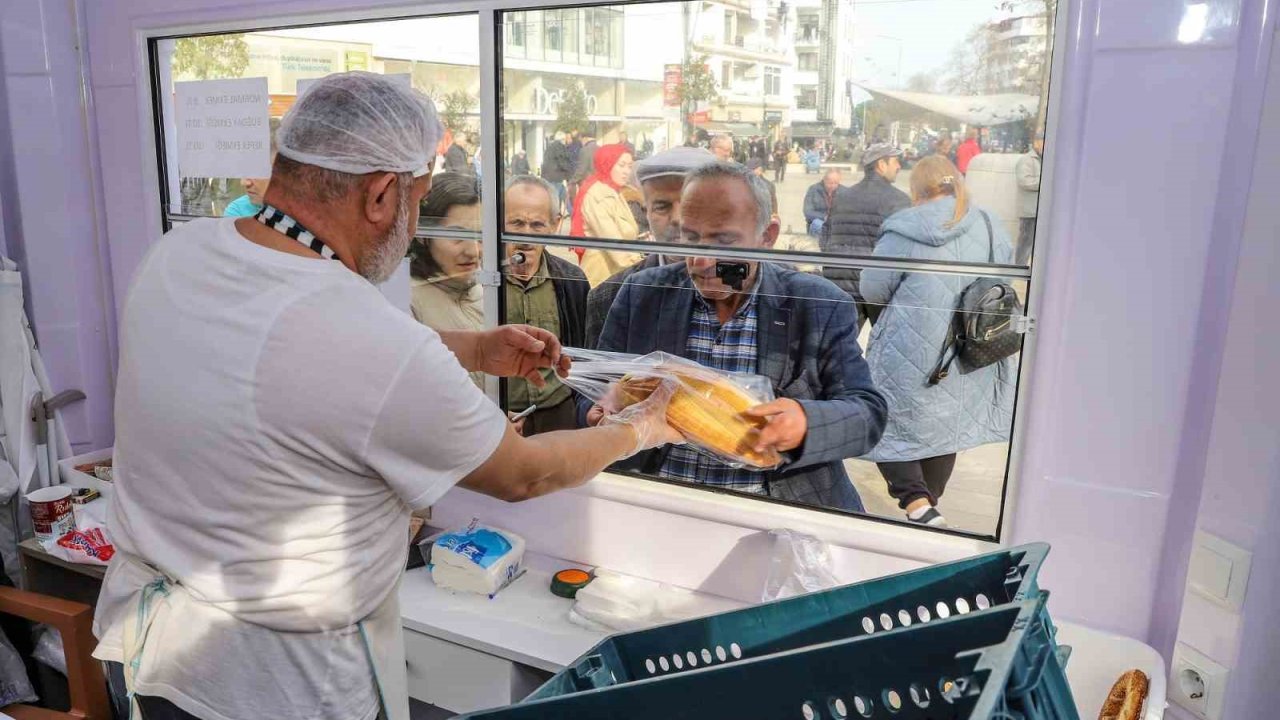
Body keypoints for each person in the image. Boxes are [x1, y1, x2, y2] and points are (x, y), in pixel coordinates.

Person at [91, 72, 679, 720]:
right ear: (379, 196)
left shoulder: (183, 252)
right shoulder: (361, 337)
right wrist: (642, 427)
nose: (413, 227)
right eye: (419, 202)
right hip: (273, 689)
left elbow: (292, 361)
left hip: (143, 654)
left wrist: (476, 348)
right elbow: (525, 474)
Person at [584, 162, 888, 512]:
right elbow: (598, 388)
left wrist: (806, 423)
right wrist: (599, 411)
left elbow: (868, 414)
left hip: (774, 507)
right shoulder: (642, 293)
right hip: (656, 501)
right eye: (691, 237)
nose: (699, 260)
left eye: (723, 240)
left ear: (767, 236)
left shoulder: (818, 304)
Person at [858, 156, 1017, 528]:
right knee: (945, 424)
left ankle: (916, 502)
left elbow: (873, 288)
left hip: (910, 343)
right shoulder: (990, 222)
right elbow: (1005, 271)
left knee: (886, 417)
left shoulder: (904, 227)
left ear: (917, 189)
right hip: (969, 345)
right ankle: (928, 505)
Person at [583, 146, 716, 347]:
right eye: (662, 207)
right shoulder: (609, 297)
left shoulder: (751, 289)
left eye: (691, 205)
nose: (678, 219)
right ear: (646, 212)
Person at [505, 175, 591, 435]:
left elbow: (583, 353)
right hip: (498, 416)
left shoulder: (571, 280)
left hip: (560, 415)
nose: (526, 235)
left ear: (555, 225)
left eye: (537, 224)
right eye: (516, 223)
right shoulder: (484, 281)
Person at [821, 143, 910, 329]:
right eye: (895, 161)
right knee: (884, 347)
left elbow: (825, 237)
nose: (899, 166)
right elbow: (904, 249)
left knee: (840, 348)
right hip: (877, 286)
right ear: (881, 165)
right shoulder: (898, 200)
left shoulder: (842, 196)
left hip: (841, 284)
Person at [409, 173, 484, 388]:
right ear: (423, 234)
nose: (473, 251)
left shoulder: (483, 288)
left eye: (480, 236)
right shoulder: (407, 302)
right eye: (456, 236)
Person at [571, 145, 643, 286]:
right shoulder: (598, 196)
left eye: (629, 166)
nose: (626, 171)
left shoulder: (615, 191)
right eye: (621, 165)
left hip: (617, 276)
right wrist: (646, 264)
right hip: (602, 278)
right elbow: (615, 247)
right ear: (607, 164)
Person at [1014, 131, 1044, 265]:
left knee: (1039, 243)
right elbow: (1024, 182)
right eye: (1044, 142)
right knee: (1025, 243)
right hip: (1029, 211)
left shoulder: (1044, 159)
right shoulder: (1026, 160)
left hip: (1040, 210)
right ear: (1036, 143)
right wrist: (1045, 181)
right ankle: (1019, 268)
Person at [540, 131, 573, 213]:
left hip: (550, 176)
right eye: (565, 139)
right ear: (562, 139)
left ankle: (572, 212)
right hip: (555, 176)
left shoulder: (550, 147)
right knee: (556, 197)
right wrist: (570, 174)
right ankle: (556, 214)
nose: (565, 141)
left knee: (564, 195)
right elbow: (562, 162)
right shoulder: (559, 146)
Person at [804, 169, 842, 237]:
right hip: (820, 222)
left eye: (836, 183)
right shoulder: (813, 190)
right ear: (824, 180)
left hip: (837, 223)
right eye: (830, 183)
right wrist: (825, 217)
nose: (833, 186)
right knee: (817, 224)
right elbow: (807, 212)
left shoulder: (844, 191)